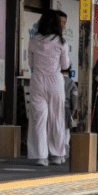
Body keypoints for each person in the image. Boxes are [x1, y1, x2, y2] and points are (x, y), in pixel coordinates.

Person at [27, 10, 70, 166]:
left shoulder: (33, 41)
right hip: (55, 81)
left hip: (37, 80)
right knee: (56, 118)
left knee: (39, 119)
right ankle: (58, 154)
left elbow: (30, 64)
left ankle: (41, 156)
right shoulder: (61, 42)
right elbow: (65, 65)